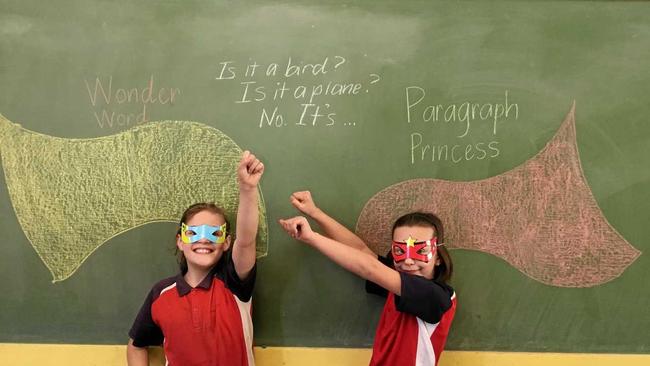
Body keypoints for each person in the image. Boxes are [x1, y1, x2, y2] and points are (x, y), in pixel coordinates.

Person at [279, 191, 456, 366]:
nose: (408, 261)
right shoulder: (399, 279)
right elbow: (361, 251)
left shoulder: (436, 297)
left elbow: (369, 268)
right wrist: (314, 212)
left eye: (421, 251)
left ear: (439, 257)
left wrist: (312, 237)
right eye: (400, 251)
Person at [127, 150, 264, 366]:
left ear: (226, 242)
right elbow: (136, 345)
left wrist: (247, 188)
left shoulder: (235, 283)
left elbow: (246, 240)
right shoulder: (161, 293)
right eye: (193, 233)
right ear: (180, 241)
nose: (203, 240)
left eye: (213, 233)